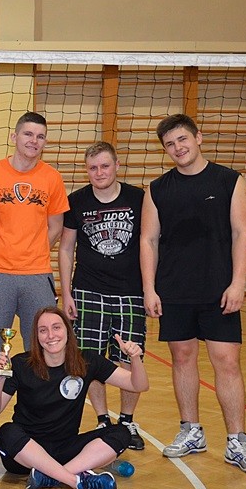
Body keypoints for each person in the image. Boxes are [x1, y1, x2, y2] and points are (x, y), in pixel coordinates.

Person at [140, 113, 246, 476]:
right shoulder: (157, 189)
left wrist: (238, 283)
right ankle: (191, 430)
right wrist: (149, 288)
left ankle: (237, 440)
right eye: (170, 144)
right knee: (182, 359)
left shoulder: (230, 181)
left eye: (182, 139)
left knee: (227, 362)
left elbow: (242, 234)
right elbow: (148, 240)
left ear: (198, 137)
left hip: (218, 290)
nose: (177, 147)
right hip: (175, 289)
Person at [0, 306, 148, 489]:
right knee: (6, 432)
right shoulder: (21, 364)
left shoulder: (86, 360)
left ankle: (52, 477)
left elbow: (138, 385)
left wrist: (135, 358)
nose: (50, 335)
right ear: (36, 336)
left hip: (67, 449)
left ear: (68, 331)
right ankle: (74, 479)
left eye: (56, 327)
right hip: (25, 454)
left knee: (121, 432)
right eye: (43, 330)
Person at [0, 112, 69, 443]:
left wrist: (33, 252)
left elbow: (56, 225)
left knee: (42, 353)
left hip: (37, 276)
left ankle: (38, 422)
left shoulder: (52, 178)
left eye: (40, 136)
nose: (34, 141)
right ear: (14, 137)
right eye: (28, 134)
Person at [58, 141, 146, 450]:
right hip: (88, 291)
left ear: (117, 166)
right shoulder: (77, 201)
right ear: (87, 170)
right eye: (93, 168)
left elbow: (151, 243)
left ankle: (127, 420)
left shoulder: (138, 199)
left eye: (105, 166)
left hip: (130, 293)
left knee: (129, 357)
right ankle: (102, 419)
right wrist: (66, 293)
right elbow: (66, 248)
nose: (99, 172)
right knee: (90, 360)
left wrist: (151, 289)